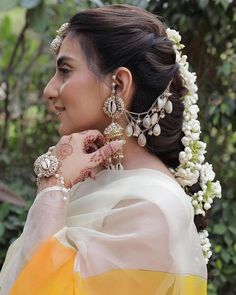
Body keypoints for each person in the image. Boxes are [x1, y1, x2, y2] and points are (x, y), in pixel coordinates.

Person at [0, 4, 222, 295]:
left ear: (118, 84)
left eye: (65, 71)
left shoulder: (152, 205)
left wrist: (51, 183)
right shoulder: (91, 178)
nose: (49, 90)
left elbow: (41, 285)